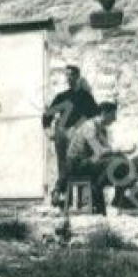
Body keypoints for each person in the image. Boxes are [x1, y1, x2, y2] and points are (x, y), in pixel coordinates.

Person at [42, 65, 98, 205]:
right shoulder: (62, 96)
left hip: (79, 136)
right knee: (63, 164)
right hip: (62, 135)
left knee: (77, 165)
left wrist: (79, 127)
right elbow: (47, 116)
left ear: (77, 77)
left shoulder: (86, 97)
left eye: (71, 75)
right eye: (66, 75)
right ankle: (62, 195)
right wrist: (49, 132)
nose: (68, 78)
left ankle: (78, 199)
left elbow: (95, 114)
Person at [65, 101, 128, 214]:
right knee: (115, 161)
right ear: (104, 113)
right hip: (76, 164)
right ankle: (99, 189)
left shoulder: (99, 128)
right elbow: (99, 151)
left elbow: (108, 148)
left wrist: (119, 152)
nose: (115, 119)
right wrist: (119, 150)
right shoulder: (89, 126)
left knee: (120, 159)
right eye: (113, 115)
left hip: (88, 161)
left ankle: (105, 192)